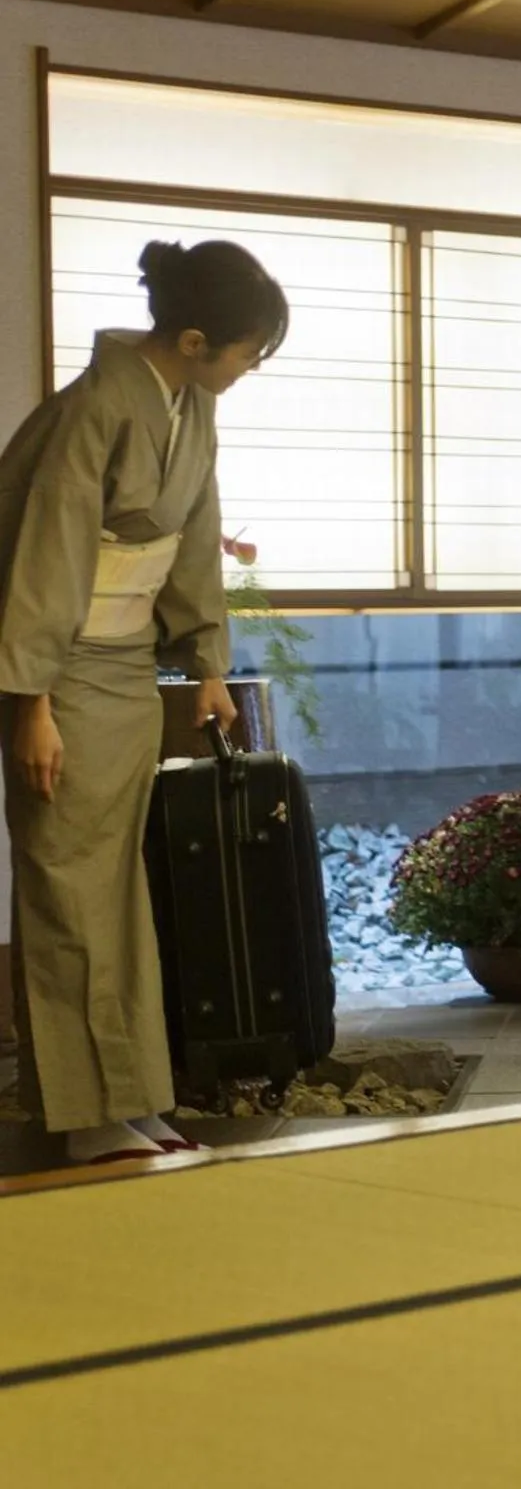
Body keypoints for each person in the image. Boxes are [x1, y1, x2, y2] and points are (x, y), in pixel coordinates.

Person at [1, 239, 288, 1165]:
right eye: (248, 351)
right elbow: (46, 554)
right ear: (195, 337)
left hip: (123, 672)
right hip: (63, 667)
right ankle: (87, 1115)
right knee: (68, 889)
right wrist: (30, 702)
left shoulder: (189, 406)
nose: (250, 368)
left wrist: (208, 659)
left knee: (119, 892)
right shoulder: (95, 409)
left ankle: (129, 1097)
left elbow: (197, 531)